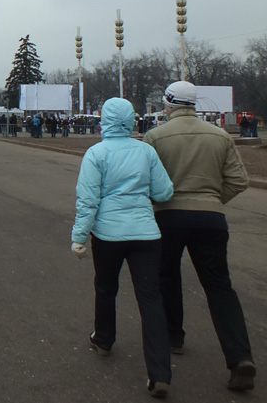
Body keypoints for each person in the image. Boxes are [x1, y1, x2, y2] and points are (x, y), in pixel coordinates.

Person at [143, 81, 256, 392]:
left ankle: (173, 335)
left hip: (168, 216)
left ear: (168, 104)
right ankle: (239, 358)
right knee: (220, 286)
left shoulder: (155, 136)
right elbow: (238, 180)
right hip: (211, 217)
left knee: (166, 276)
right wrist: (213, 201)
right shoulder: (220, 135)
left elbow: (147, 180)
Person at [71, 97, 174, 398]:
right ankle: (159, 374)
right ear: (131, 121)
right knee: (151, 299)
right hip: (145, 234)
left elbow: (88, 200)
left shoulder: (96, 153)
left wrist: (80, 236)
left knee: (106, 287)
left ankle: (104, 338)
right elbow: (164, 191)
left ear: (104, 120)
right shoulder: (146, 151)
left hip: (108, 234)